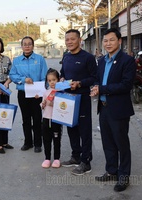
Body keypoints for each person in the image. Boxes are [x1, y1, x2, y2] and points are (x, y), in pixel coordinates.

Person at [90, 28, 136, 192]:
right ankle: (111, 171)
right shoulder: (101, 61)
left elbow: (126, 85)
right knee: (107, 143)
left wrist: (102, 89)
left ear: (119, 41)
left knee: (121, 144)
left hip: (119, 109)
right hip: (103, 108)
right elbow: (97, 79)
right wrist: (95, 88)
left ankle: (123, 176)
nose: (108, 43)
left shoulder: (127, 61)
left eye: (111, 40)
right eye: (105, 40)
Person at [59, 29, 97, 175]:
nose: (69, 42)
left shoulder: (88, 57)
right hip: (68, 98)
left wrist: (80, 83)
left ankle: (86, 161)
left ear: (79, 40)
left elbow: (94, 78)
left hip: (82, 98)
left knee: (84, 130)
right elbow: (63, 73)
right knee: (71, 128)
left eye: (72, 39)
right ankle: (75, 156)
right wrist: (62, 79)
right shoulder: (66, 57)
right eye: (67, 39)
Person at [9, 36, 48, 153]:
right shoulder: (16, 60)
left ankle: (37, 143)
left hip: (36, 95)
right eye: (24, 44)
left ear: (33, 46)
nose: (27, 46)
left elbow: (44, 76)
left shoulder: (40, 59)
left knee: (37, 119)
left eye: (29, 44)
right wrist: (23, 79)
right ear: (21, 46)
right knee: (26, 119)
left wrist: (41, 92)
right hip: (23, 94)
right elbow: (12, 75)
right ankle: (28, 142)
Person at [41, 68, 62, 168]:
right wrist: (43, 104)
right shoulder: (46, 92)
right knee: (46, 139)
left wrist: (53, 103)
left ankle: (57, 158)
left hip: (56, 119)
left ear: (58, 79)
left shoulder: (60, 92)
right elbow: (42, 103)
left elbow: (63, 106)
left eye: (54, 79)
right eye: (49, 80)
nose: (52, 82)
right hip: (46, 118)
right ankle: (47, 158)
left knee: (56, 138)